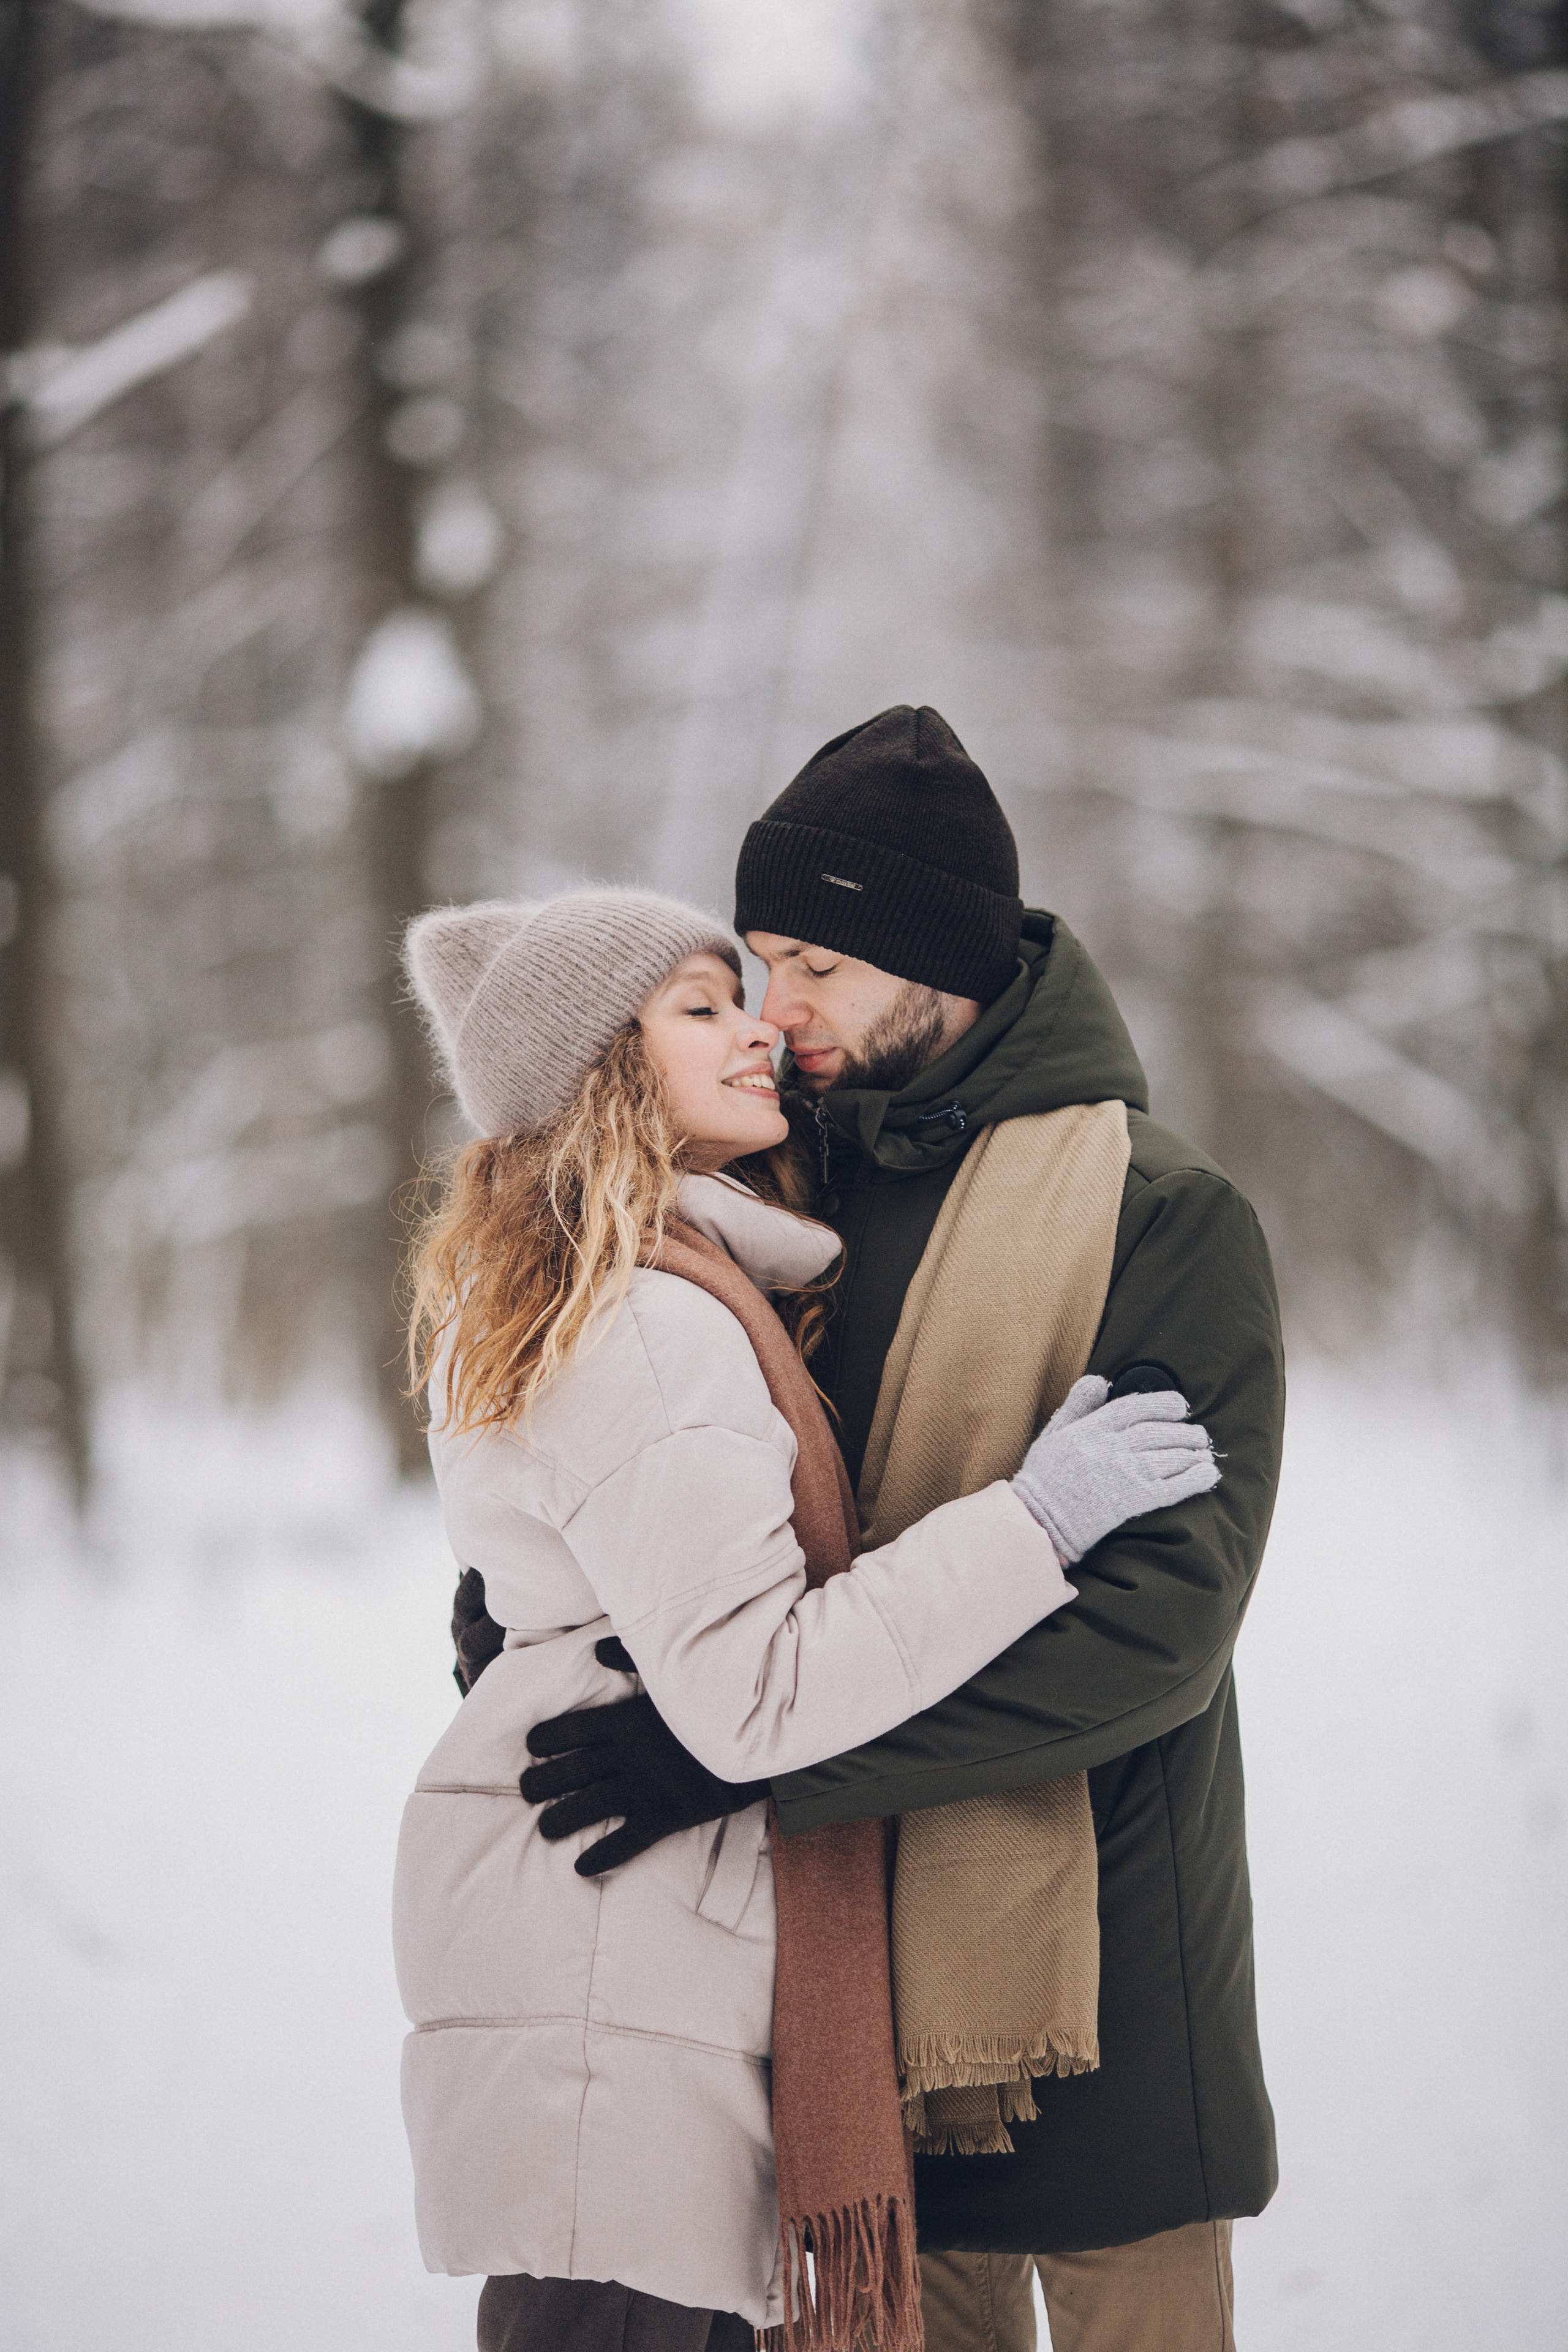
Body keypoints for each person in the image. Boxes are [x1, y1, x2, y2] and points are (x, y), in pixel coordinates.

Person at [514, 709, 1286, 2352]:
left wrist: (764, 1755)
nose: (777, 1013)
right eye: (759, 963)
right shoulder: (788, 1206)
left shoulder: (1163, 1213)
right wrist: (573, 1626)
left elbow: (1158, 1636)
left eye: (820, 965)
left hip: (1106, 2002)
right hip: (847, 2016)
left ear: (946, 963)